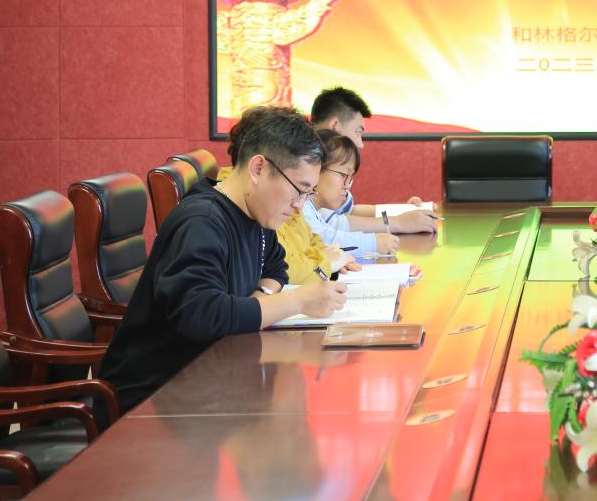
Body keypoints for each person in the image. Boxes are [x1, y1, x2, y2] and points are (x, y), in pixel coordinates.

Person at [101, 106, 347, 411]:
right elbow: (203, 315)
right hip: (154, 398)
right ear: (258, 168)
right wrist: (297, 302)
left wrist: (258, 297)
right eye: (300, 190)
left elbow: (276, 266)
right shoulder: (202, 222)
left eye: (307, 195)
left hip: (210, 380)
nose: (299, 205)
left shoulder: (257, 213)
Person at [302, 88, 437, 258]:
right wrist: (395, 224)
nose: (360, 144)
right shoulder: (306, 178)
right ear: (335, 126)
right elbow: (329, 229)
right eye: (358, 132)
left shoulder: (329, 178)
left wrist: (404, 211)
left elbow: (350, 210)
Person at [276, 128, 363, 284]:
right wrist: (325, 263)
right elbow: (282, 268)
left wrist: (332, 259)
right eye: (343, 175)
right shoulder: (273, 210)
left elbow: (314, 240)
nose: (300, 205)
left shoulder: (297, 201)